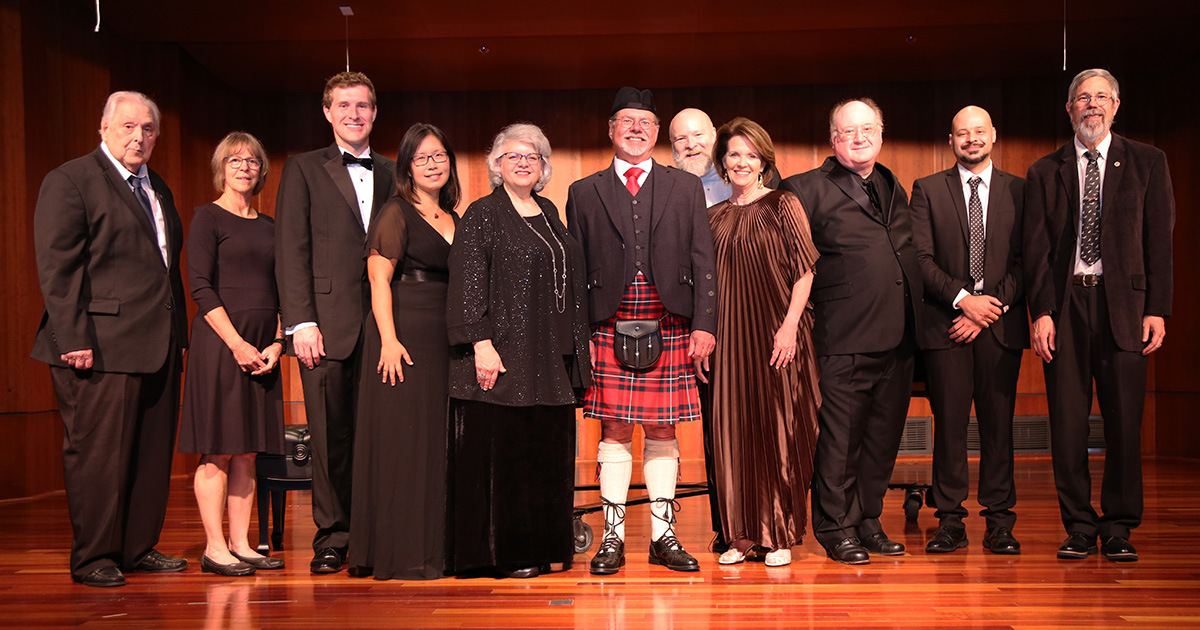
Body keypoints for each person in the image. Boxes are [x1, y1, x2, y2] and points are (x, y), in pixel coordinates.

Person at [32, 91, 189, 587]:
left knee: (149, 451)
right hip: (97, 346)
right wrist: (73, 337)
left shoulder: (157, 186)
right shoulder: (71, 180)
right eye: (126, 127)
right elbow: (59, 269)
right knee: (98, 455)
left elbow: (165, 271)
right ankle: (94, 555)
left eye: (146, 129)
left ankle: (137, 546)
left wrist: (179, 336)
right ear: (102, 128)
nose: (137, 137)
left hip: (157, 344)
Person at [1024, 69, 1174, 563]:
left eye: (1101, 97)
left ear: (1116, 105)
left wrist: (1157, 308)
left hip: (1126, 307)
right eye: (1082, 98)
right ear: (1069, 110)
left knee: (1124, 423)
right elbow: (1038, 250)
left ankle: (1118, 526)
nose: (1092, 105)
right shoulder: (1046, 170)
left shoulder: (1150, 162)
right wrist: (1041, 312)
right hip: (1065, 305)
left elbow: (1159, 242)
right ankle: (1079, 526)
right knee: (1067, 424)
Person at [567, 87, 718, 576]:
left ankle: (661, 535)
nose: (636, 129)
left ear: (657, 132)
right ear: (611, 130)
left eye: (646, 123)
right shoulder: (583, 191)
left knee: (662, 426)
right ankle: (611, 538)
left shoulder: (685, 187)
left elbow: (704, 260)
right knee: (613, 428)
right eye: (626, 121)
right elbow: (576, 270)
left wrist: (705, 324)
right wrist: (582, 330)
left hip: (671, 319)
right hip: (607, 323)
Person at [779, 98, 923, 565]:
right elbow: (787, 264)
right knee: (840, 440)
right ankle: (835, 527)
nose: (859, 139)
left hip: (899, 334)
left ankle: (867, 520)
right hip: (844, 333)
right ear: (833, 139)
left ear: (880, 133)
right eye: (848, 132)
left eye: (867, 130)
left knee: (883, 436)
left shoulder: (891, 183)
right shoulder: (803, 188)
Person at [446, 123, 591, 579]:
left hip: (551, 358)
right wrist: (481, 343)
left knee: (543, 457)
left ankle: (544, 546)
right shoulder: (483, 213)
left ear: (544, 167)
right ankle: (504, 554)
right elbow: (468, 283)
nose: (523, 162)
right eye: (513, 155)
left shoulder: (548, 210)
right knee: (505, 459)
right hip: (503, 358)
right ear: (497, 165)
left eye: (532, 156)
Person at [275, 71, 397, 574]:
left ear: (374, 112)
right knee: (329, 435)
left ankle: (376, 531)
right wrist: (300, 322)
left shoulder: (395, 171)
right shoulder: (302, 169)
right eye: (344, 106)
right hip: (324, 324)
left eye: (363, 105)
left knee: (380, 433)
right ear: (327, 112)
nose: (354, 114)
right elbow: (290, 250)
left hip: (388, 325)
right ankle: (332, 536)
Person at [910, 106, 1027, 555]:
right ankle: (950, 522)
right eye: (963, 133)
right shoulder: (928, 190)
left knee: (999, 429)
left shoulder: (1020, 189)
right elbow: (920, 259)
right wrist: (963, 301)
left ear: (993, 135)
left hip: (999, 325)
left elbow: (1027, 260)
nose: (971, 139)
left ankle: (1000, 522)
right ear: (951, 139)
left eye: (979, 132)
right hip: (947, 328)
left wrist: (988, 308)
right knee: (950, 427)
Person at [348, 123, 460, 580]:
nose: (433, 165)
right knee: (404, 442)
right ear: (407, 168)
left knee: (437, 441)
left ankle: (438, 546)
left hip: (445, 338)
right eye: (422, 158)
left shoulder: (456, 216)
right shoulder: (396, 211)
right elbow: (378, 280)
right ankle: (401, 550)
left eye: (440, 156)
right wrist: (389, 339)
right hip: (404, 334)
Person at [707, 118, 820, 568]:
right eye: (734, 154)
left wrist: (790, 325)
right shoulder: (712, 217)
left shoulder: (782, 204)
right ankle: (740, 537)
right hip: (730, 339)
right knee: (732, 433)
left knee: (777, 431)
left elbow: (805, 270)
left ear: (763, 162)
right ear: (722, 162)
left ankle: (778, 535)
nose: (741, 162)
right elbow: (707, 286)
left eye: (751, 155)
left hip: (778, 335)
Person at [179, 132, 286, 576]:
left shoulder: (271, 227)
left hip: (264, 348)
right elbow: (200, 286)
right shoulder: (207, 217)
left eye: (252, 161)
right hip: (222, 346)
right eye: (234, 160)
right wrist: (238, 344)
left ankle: (242, 544)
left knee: (248, 452)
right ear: (221, 167)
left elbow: (285, 291)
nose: (244, 167)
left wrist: (278, 344)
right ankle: (214, 547)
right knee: (218, 450)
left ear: (261, 171)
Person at [670, 108, 730, 207]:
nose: (691, 145)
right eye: (681, 139)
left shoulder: (737, 183)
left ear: (714, 135)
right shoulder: (666, 189)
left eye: (698, 135)